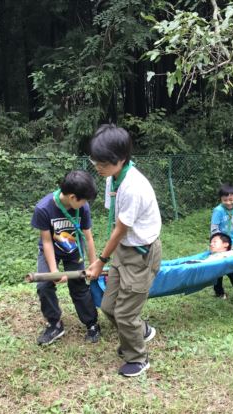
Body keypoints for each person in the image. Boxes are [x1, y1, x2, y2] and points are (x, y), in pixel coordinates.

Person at [85, 124, 162, 378]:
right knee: (108, 306)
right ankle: (141, 331)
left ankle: (138, 358)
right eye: (95, 161)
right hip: (123, 250)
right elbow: (115, 221)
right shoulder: (113, 178)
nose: (97, 166)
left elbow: (120, 229)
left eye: (102, 162)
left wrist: (99, 260)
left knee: (125, 313)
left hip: (140, 253)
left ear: (120, 160)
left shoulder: (133, 187)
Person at [31, 170, 101, 345]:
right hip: (51, 250)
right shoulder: (44, 208)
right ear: (72, 197)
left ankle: (92, 324)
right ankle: (54, 324)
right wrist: (54, 271)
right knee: (44, 285)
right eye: (84, 199)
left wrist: (94, 265)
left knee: (79, 285)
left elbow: (88, 237)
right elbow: (46, 242)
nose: (86, 203)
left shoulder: (82, 208)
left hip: (73, 250)